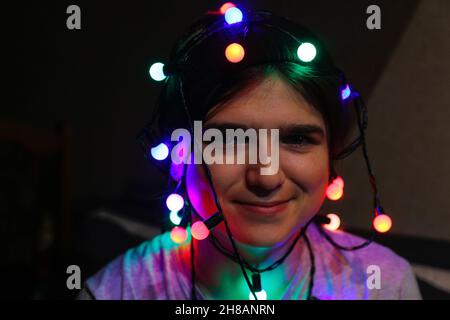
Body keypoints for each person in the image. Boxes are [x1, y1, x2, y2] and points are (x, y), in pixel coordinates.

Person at [78, 8, 421, 300]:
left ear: (329, 153)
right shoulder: (119, 290)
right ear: (179, 152)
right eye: (229, 139)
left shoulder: (384, 285)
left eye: (297, 138)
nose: (266, 176)